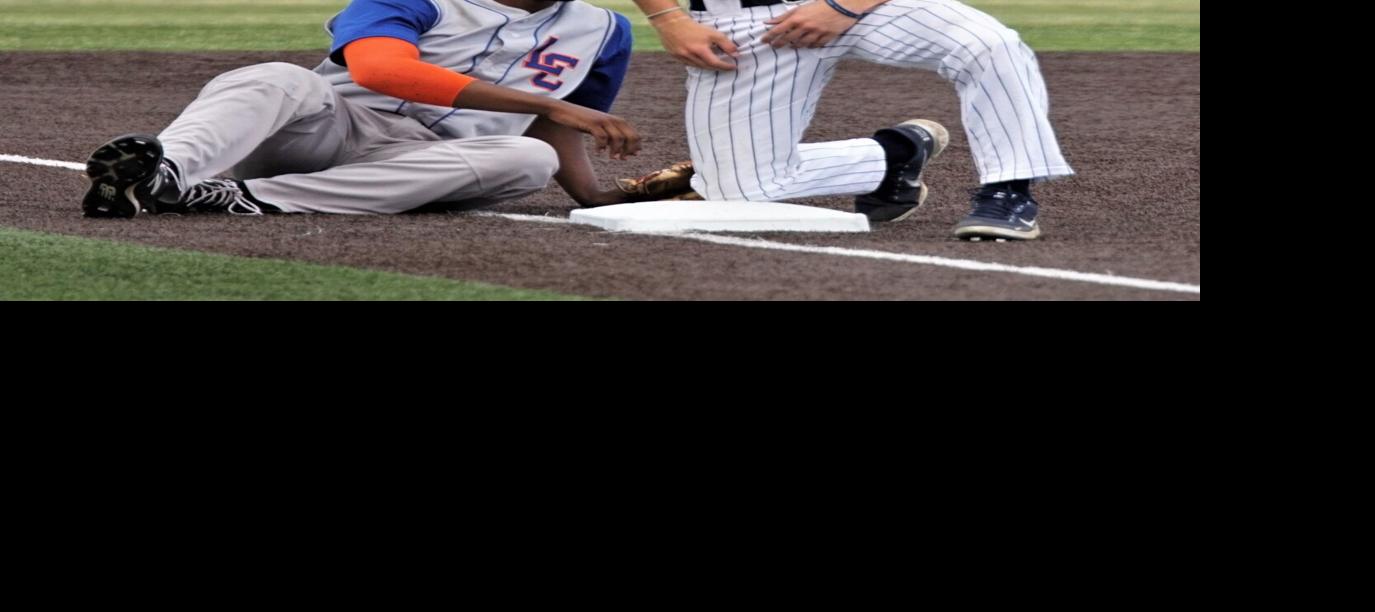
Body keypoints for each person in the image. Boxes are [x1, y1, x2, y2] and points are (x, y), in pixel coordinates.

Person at [83, 0, 641, 218]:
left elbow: (557, 124)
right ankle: (163, 173)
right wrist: (549, 105)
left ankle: (240, 200)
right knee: (276, 76)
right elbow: (380, 70)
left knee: (529, 158)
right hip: (326, 131)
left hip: (431, 164)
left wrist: (596, 196)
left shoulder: (605, 30)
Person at [633, 0, 1073, 240]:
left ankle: (1008, 192)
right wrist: (666, 16)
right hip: (736, 25)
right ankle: (894, 156)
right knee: (741, 191)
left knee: (988, 43)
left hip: (868, 6)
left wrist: (843, 6)